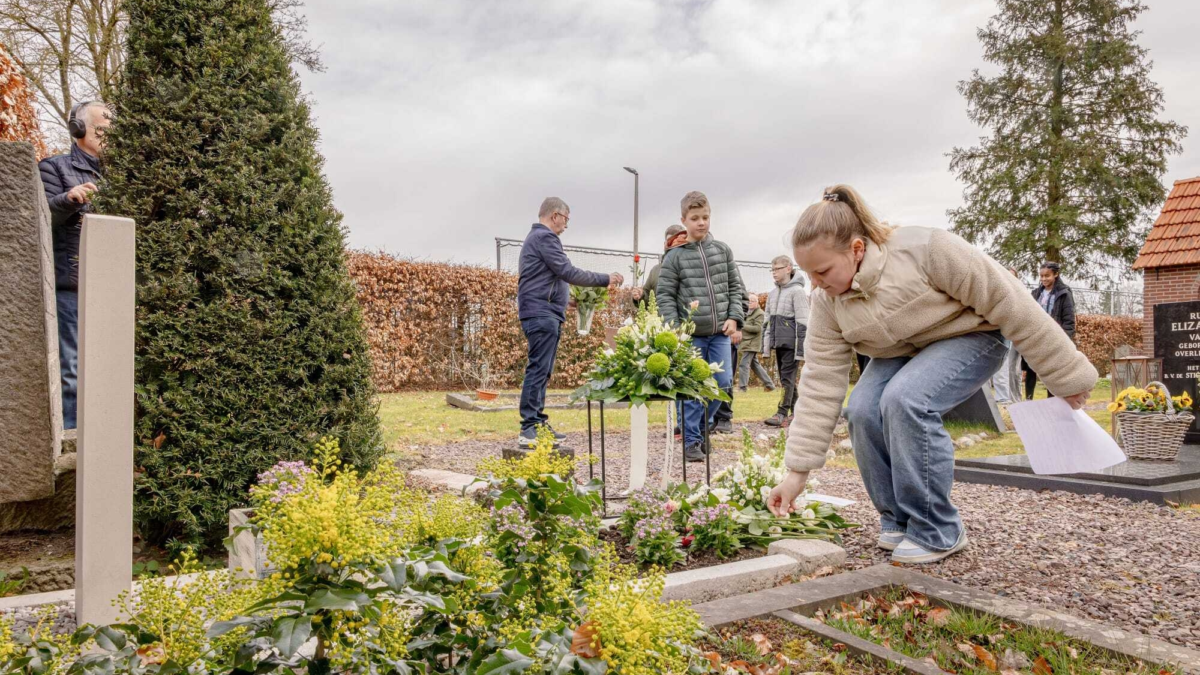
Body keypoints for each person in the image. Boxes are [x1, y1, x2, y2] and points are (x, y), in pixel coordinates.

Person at [767, 185, 1096, 565]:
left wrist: (1067, 378)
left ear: (857, 249)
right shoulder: (827, 301)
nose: (815, 283)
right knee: (859, 409)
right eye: (808, 273)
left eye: (822, 270)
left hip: (973, 335)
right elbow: (821, 382)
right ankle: (899, 518)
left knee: (906, 399)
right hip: (904, 350)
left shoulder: (926, 250)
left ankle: (938, 529)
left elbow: (1011, 301)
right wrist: (797, 473)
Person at [516, 197, 621, 448]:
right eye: (566, 219)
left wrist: (565, 302)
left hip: (545, 310)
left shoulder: (537, 239)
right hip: (541, 314)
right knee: (538, 369)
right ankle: (529, 426)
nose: (566, 225)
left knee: (543, 369)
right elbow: (567, 271)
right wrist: (605, 278)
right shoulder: (545, 238)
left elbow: (543, 279)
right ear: (555, 215)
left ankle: (538, 423)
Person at [39, 100, 111, 430]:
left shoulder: (128, 175)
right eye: (101, 129)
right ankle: (72, 441)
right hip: (72, 288)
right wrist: (68, 199)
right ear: (78, 130)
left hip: (113, 287)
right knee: (73, 369)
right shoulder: (53, 168)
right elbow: (39, 219)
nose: (108, 136)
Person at [657, 191, 744, 462]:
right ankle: (691, 441)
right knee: (692, 388)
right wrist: (676, 327)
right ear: (684, 220)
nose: (701, 223)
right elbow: (665, 295)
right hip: (692, 336)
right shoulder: (675, 257)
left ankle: (701, 427)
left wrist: (735, 317)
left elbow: (735, 287)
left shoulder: (723, 250)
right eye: (695, 218)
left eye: (705, 217)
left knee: (722, 382)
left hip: (719, 334)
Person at [763, 256, 808, 427]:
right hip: (778, 344)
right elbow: (767, 321)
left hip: (791, 345)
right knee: (786, 378)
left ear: (788, 268)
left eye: (777, 269)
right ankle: (798, 413)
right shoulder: (772, 294)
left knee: (787, 379)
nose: (774, 273)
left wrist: (800, 349)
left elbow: (803, 321)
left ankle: (782, 412)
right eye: (772, 270)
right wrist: (767, 344)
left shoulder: (797, 292)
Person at [1022, 262, 1076, 400]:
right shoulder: (1036, 293)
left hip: (1054, 339)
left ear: (1056, 275)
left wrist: (1064, 340)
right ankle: (1028, 399)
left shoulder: (1064, 294)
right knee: (1030, 369)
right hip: (1036, 337)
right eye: (1041, 276)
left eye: (1047, 275)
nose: (1044, 279)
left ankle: (1052, 401)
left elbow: (1069, 321)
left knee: (1052, 372)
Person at [989, 267, 1024, 404]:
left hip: (1014, 333)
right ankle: (1002, 398)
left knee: (1013, 370)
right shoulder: (997, 291)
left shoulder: (1020, 294)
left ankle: (1014, 399)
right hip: (1000, 332)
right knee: (1000, 367)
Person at [630, 224, 687, 308]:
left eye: (676, 240)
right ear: (665, 244)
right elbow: (648, 299)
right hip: (663, 319)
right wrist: (641, 295)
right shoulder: (655, 270)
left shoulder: (694, 267)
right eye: (669, 241)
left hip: (688, 320)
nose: (673, 244)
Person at [737, 294, 776, 392]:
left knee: (743, 364)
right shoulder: (747, 312)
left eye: (751, 301)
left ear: (756, 302)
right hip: (746, 342)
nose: (749, 303)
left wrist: (743, 325)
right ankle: (770, 385)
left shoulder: (760, 313)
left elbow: (757, 329)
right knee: (755, 365)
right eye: (748, 301)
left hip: (752, 343)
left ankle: (742, 388)